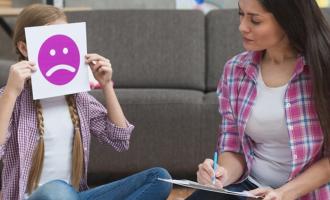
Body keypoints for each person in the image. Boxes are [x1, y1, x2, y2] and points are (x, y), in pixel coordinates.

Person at [0, 4, 172, 200]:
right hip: (36, 196)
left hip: (75, 196)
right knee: (57, 190)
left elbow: (120, 138)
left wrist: (106, 85)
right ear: (24, 48)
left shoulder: (79, 99)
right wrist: (11, 93)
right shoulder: (10, 98)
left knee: (159, 178)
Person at [187, 0, 330, 199]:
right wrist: (222, 175)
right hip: (250, 187)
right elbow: (233, 146)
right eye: (241, 14)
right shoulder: (235, 69)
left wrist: (282, 194)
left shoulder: (322, 69)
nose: (242, 27)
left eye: (255, 20)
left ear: (287, 20)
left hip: (300, 193)